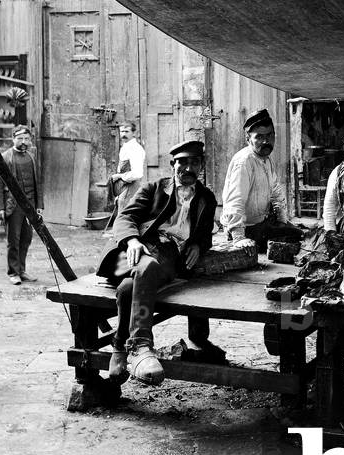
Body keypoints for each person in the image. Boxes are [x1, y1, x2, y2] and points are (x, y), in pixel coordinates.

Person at [95, 139, 218, 386]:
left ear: (201, 166)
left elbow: (205, 235)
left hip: (170, 255)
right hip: (137, 250)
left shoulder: (207, 198)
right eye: (182, 162)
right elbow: (125, 217)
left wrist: (197, 245)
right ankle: (141, 345)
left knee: (128, 288)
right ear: (173, 165)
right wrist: (132, 241)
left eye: (194, 163)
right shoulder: (153, 188)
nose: (188, 168)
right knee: (146, 267)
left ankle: (119, 345)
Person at [221, 109, 301, 252]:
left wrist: (282, 220)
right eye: (259, 137)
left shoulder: (266, 159)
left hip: (261, 223)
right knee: (292, 239)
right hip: (246, 228)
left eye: (270, 135)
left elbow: (276, 192)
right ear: (248, 139)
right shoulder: (244, 162)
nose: (266, 141)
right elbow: (235, 201)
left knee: (297, 234)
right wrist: (239, 238)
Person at [0, 126, 42, 285]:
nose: (23, 142)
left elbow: (37, 182)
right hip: (13, 206)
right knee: (13, 240)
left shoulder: (31, 157)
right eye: (20, 138)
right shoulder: (6, 157)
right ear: (13, 139)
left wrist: (39, 205)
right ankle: (13, 273)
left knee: (26, 239)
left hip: (30, 206)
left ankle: (21, 270)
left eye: (26, 139)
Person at [111, 120, 146, 213]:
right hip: (123, 189)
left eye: (127, 131)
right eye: (122, 131)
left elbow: (137, 174)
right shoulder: (126, 146)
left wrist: (119, 176)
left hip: (131, 188)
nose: (123, 134)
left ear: (133, 133)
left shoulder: (135, 148)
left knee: (125, 216)